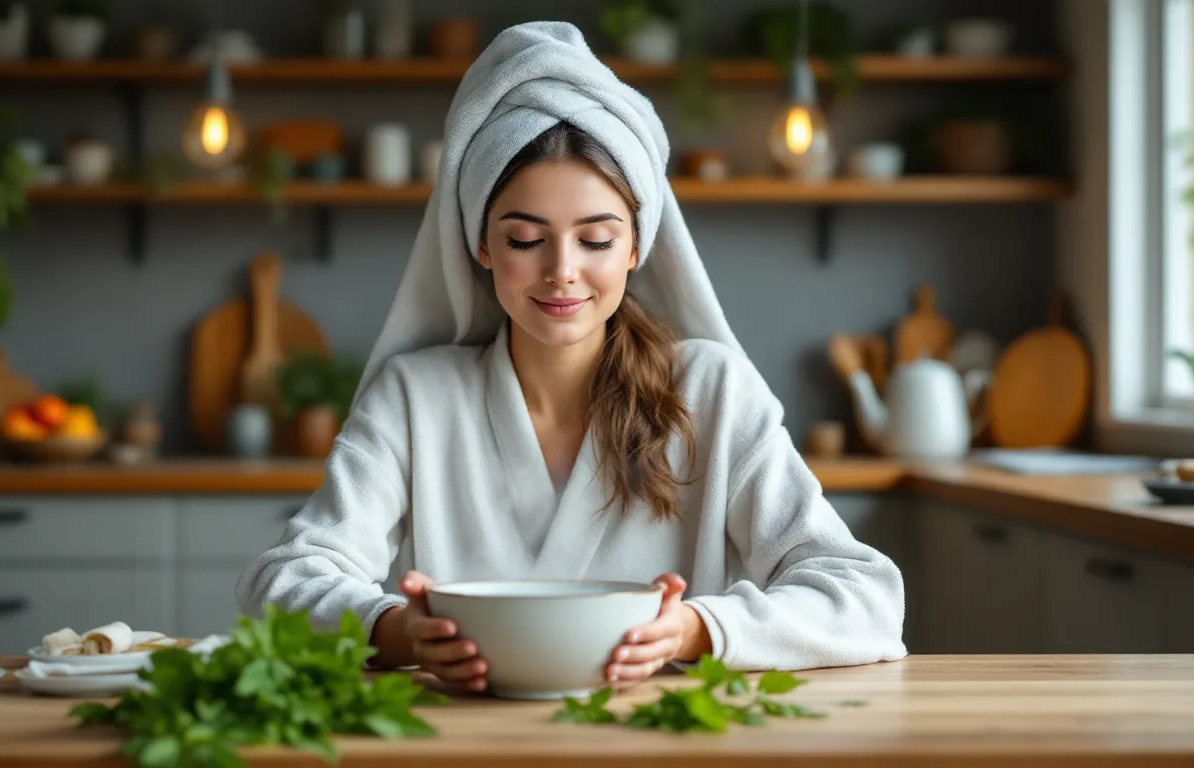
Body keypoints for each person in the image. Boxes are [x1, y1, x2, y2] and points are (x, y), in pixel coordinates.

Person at [236, 21, 906, 693]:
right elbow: (281, 582)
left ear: (637, 247)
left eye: (596, 240)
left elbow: (866, 595)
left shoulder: (711, 391)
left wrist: (697, 630)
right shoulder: (416, 397)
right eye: (526, 239)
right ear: (481, 248)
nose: (562, 271)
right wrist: (394, 630)